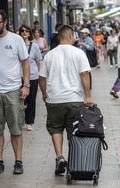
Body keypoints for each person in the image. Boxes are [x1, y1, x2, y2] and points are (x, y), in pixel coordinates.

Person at [39, 25, 93, 175]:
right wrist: (88, 96)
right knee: (73, 130)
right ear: (69, 36)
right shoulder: (79, 53)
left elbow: (41, 78)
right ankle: (73, 160)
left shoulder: (49, 55)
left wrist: (44, 94)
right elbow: (84, 75)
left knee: (55, 128)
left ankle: (59, 157)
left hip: (54, 99)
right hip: (74, 99)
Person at [0, 9, 30, 174]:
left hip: (12, 91)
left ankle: (18, 161)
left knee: (16, 129)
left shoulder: (16, 40)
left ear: (5, 22)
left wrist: (26, 85)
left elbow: (25, 63)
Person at [19, 24, 43, 131]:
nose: (24, 32)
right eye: (22, 31)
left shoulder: (35, 46)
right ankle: (22, 120)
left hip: (33, 76)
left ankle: (29, 122)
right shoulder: (17, 45)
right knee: (20, 100)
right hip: (19, 77)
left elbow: (39, 61)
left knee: (31, 100)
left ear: (30, 34)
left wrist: (41, 74)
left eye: (27, 31)